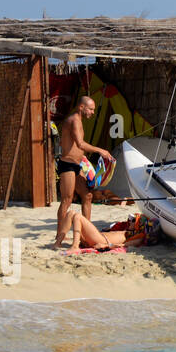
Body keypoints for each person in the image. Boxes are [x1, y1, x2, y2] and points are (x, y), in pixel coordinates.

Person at [55, 96, 114, 246]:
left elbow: (70, 144)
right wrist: (101, 150)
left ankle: (87, 232)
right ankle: (59, 235)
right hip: (67, 165)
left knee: (87, 195)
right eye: (91, 109)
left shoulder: (78, 120)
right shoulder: (74, 120)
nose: (93, 112)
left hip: (77, 165)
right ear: (81, 107)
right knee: (67, 200)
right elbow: (80, 144)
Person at [55, 208, 140, 252]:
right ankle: (57, 243)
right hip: (95, 238)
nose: (129, 221)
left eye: (133, 220)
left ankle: (75, 246)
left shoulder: (136, 236)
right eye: (129, 219)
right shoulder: (125, 228)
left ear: (138, 225)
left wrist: (106, 245)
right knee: (71, 213)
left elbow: (124, 245)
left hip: (101, 240)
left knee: (77, 216)